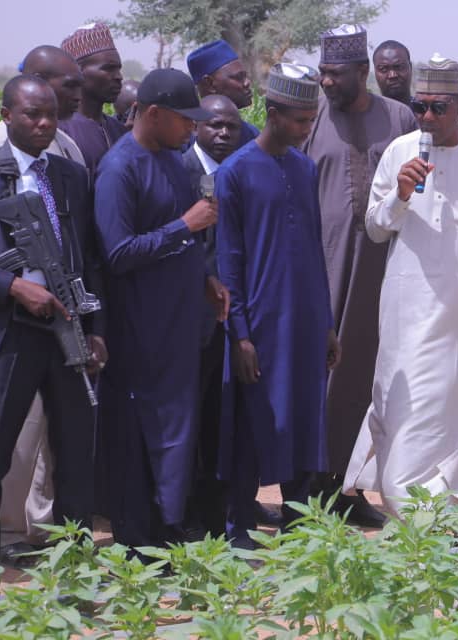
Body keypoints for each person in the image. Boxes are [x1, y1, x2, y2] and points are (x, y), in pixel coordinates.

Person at [343, 54, 458, 513]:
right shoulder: (400, 152)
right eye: (420, 106)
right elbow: (375, 227)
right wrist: (400, 196)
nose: (426, 118)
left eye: (437, 108)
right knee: (407, 418)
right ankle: (412, 521)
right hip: (410, 318)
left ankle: (450, 526)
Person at [94, 68, 227, 547]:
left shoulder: (178, 163)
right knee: (139, 439)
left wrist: (207, 278)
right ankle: (137, 542)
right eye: (183, 120)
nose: (192, 129)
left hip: (179, 328)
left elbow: (187, 243)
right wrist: (184, 228)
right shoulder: (119, 168)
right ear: (153, 115)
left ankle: (170, 529)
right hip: (138, 331)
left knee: (176, 435)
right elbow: (117, 254)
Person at [0, 75, 107, 561]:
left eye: (51, 114)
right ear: (7, 115)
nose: (44, 123)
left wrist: (96, 331)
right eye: (33, 114)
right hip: (8, 331)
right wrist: (12, 286)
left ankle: (74, 559)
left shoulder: (70, 175)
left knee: (75, 453)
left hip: (67, 330)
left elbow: (92, 259)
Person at [216, 63, 339, 547]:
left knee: (304, 415)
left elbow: (314, 246)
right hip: (261, 322)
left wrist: (326, 323)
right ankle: (239, 526)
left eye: (311, 119)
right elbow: (231, 261)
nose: (307, 128)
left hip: (305, 320)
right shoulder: (236, 172)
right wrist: (241, 334)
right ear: (272, 113)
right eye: (299, 120)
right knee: (255, 418)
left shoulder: (304, 167)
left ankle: (298, 519)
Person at [301, 24, 416, 527]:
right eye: (323, 73)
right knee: (318, 379)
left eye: (335, 74)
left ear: (361, 72)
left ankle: (348, 490)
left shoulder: (399, 117)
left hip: (384, 275)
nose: (326, 82)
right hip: (320, 271)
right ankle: (305, 492)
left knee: (369, 381)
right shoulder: (310, 117)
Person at [178, 94, 249, 536]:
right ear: (197, 126)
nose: (223, 134)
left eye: (231, 127)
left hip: (238, 316)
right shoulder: (180, 169)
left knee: (228, 420)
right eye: (215, 125)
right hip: (192, 320)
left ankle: (226, 513)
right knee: (194, 419)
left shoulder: (242, 171)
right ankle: (189, 516)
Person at [58, 22, 126, 177]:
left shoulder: (119, 130)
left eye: (118, 69)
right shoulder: (60, 132)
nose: (119, 77)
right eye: (108, 68)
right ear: (79, 71)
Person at [186, 40, 259, 147]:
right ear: (210, 83)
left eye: (246, 76)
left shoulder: (250, 135)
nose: (247, 83)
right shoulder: (184, 139)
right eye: (238, 77)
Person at [373, 40, 412, 105]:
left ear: (410, 67)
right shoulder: (368, 114)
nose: (392, 75)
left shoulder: (426, 112)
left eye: (399, 67)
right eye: (383, 69)